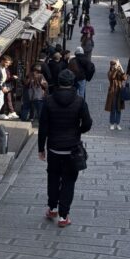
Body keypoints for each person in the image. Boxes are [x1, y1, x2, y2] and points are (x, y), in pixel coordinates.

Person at [38, 69, 92, 227]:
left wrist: (41, 148)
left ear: (59, 82)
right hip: (72, 148)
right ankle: (63, 216)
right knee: (69, 180)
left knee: (53, 177)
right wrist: (78, 131)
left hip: (54, 147)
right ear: (72, 82)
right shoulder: (79, 101)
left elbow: (43, 127)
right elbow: (87, 123)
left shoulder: (48, 101)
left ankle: (52, 208)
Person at [105, 60, 126, 131]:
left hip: (119, 93)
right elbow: (112, 77)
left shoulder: (119, 72)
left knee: (119, 109)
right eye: (113, 65)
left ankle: (118, 124)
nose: (114, 66)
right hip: (112, 93)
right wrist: (116, 70)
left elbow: (125, 78)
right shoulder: (110, 72)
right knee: (113, 109)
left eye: (115, 65)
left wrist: (121, 68)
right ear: (111, 66)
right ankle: (112, 123)